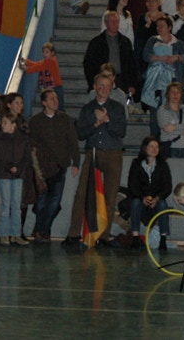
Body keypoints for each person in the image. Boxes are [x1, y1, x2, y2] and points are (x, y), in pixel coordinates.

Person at [72, 74, 126, 246]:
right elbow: (80, 134)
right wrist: (96, 124)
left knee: (110, 196)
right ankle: (73, 234)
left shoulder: (117, 108)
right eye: (101, 85)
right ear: (95, 87)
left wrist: (107, 120)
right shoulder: (88, 108)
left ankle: (103, 236)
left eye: (107, 86)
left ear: (112, 87)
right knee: (81, 193)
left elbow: (122, 132)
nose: (104, 89)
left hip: (113, 153)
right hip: (93, 152)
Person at [29, 89, 79, 243]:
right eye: (51, 99)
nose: (55, 101)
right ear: (44, 102)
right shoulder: (36, 121)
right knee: (41, 201)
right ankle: (41, 230)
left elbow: (72, 141)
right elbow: (31, 144)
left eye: (56, 98)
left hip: (60, 165)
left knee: (55, 201)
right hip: (42, 167)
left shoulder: (64, 119)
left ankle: (42, 230)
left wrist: (76, 161)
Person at [0, 112, 31, 246]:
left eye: (5, 123)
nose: (2, 125)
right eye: (2, 122)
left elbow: (26, 156)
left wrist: (18, 168)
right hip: (4, 173)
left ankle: (16, 234)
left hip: (18, 174)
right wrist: (9, 166)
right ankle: (4, 234)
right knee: (5, 204)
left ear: (14, 125)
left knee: (16, 205)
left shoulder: (22, 139)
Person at [127, 137, 172, 250]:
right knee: (135, 203)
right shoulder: (136, 164)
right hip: (141, 199)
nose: (154, 149)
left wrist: (157, 198)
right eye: (151, 146)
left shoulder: (163, 165)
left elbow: (167, 186)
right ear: (145, 148)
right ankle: (135, 237)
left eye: (156, 147)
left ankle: (163, 239)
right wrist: (142, 197)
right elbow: (132, 185)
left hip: (157, 199)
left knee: (163, 204)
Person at [84, 11, 139, 95]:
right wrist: (93, 82)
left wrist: (132, 84)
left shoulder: (125, 42)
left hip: (121, 80)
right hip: (102, 80)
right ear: (105, 23)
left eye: (116, 21)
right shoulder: (96, 42)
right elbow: (88, 64)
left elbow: (132, 64)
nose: (115, 24)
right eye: (111, 21)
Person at [21, 42, 64, 110]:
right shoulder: (48, 61)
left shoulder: (51, 61)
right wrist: (27, 62)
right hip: (53, 88)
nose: (44, 54)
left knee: (58, 108)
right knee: (54, 108)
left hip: (56, 88)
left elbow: (38, 67)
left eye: (47, 52)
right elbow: (38, 64)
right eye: (43, 52)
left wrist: (27, 69)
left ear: (52, 53)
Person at [157, 82, 184, 158]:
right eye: (172, 92)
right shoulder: (162, 109)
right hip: (170, 146)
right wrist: (183, 131)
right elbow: (166, 129)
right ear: (168, 94)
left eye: (178, 92)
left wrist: (174, 127)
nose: (175, 95)